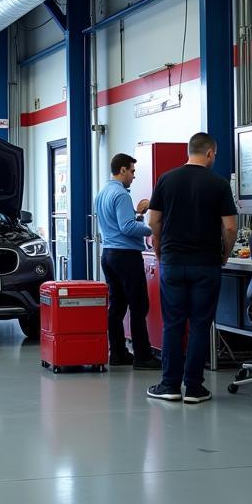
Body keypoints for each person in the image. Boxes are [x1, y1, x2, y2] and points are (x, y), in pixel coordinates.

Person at [146, 132, 237, 403]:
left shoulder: (166, 179)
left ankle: (170, 386)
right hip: (206, 264)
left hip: (173, 263)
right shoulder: (219, 184)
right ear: (210, 153)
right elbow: (230, 227)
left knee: (173, 324)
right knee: (200, 325)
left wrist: (161, 250)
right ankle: (195, 388)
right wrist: (225, 253)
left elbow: (153, 222)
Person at [94, 153, 162, 370]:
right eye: (132, 171)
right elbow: (127, 227)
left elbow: (118, 223)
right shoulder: (122, 195)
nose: (133, 176)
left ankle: (118, 353)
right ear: (122, 170)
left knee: (117, 305)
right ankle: (142, 356)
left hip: (108, 254)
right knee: (139, 305)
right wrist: (152, 227)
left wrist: (137, 218)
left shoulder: (103, 192)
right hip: (126, 256)